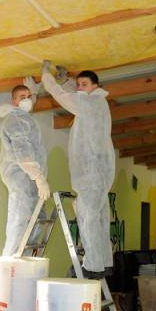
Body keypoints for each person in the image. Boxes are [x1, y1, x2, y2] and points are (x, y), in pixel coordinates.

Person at [37, 61, 115, 279]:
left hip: (90, 172)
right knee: (99, 219)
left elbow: (65, 97)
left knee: (88, 219)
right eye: (79, 84)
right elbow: (76, 94)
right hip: (100, 173)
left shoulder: (89, 103)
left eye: (84, 84)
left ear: (95, 86)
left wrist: (47, 77)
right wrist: (66, 80)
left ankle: (92, 266)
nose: (80, 87)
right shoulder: (98, 102)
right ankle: (104, 262)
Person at [0, 84, 50, 256]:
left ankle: (23, 260)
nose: (27, 100)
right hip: (21, 177)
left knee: (36, 219)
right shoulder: (15, 120)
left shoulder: (25, 118)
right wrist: (39, 177)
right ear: (13, 100)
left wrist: (34, 92)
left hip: (30, 179)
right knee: (20, 221)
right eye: (22, 97)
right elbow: (23, 153)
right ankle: (11, 263)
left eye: (29, 97)